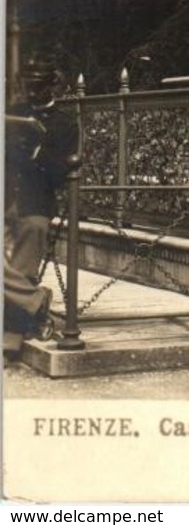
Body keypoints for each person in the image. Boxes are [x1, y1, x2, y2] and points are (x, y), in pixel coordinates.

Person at [4, 61, 78, 354]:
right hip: (7, 196)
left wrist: (33, 152)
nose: (31, 93)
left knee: (23, 268)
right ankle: (36, 301)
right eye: (28, 86)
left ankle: (10, 336)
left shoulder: (64, 123)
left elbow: (59, 173)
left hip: (35, 203)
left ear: (51, 86)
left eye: (38, 87)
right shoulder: (17, 114)